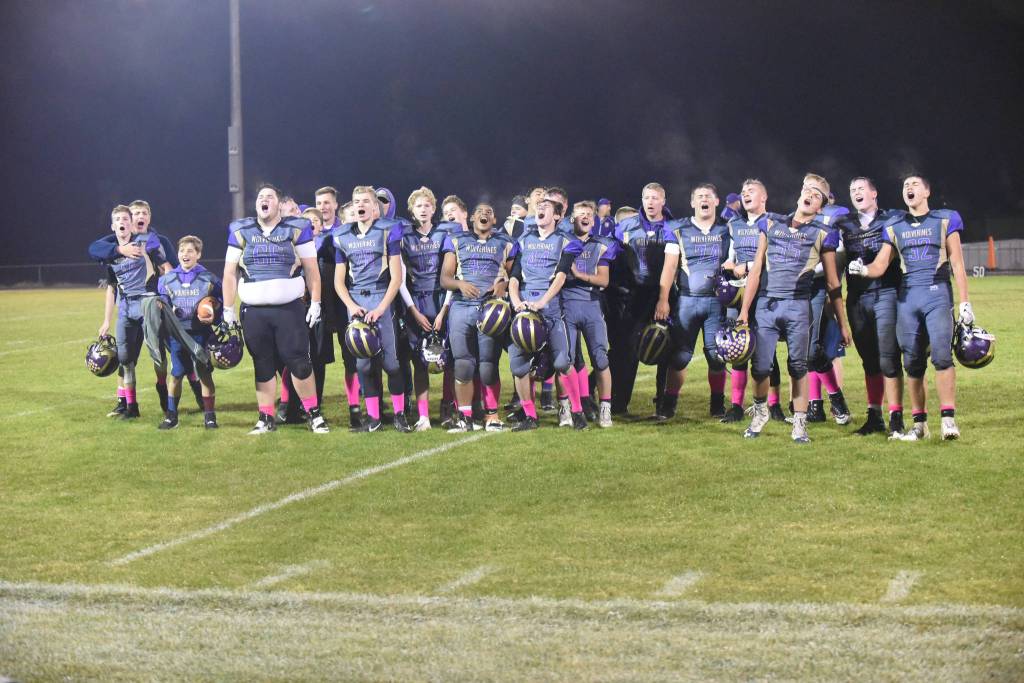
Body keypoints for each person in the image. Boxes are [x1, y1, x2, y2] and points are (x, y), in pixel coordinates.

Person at [847, 174, 971, 440]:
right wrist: (864, 269)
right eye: (905, 186)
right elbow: (881, 264)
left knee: (941, 356)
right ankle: (919, 424)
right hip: (907, 297)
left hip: (937, 294)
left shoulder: (945, 219)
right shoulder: (895, 225)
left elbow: (958, 264)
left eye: (915, 184)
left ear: (927, 191)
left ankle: (948, 419)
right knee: (912, 362)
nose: (909, 188)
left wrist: (965, 302)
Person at [736, 174, 851, 443]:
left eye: (817, 194)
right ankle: (761, 411)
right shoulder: (771, 223)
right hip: (767, 304)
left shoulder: (823, 233)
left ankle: (800, 423)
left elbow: (834, 284)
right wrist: (744, 311)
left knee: (798, 365)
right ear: (800, 192)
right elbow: (755, 271)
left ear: (821, 205)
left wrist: (843, 324)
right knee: (760, 366)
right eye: (807, 190)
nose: (810, 195)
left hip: (799, 305)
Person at [222, 183, 329, 435]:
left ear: (279, 204)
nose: (264, 199)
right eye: (260, 196)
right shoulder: (241, 230)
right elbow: (229, 273)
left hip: (289, 309)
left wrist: (316, 301)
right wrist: (228, 308)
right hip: (254, 311)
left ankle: (313, 414)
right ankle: (265, 418)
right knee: (263, 365)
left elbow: (312, 269)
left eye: (269, 196)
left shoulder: (296, 228)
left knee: (300, 364)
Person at [333, 185, 410, 433]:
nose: (360, 205)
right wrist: (352, 306)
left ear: (375, 207)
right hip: (356, 301)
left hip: (381, 298)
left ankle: (400, 415)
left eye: (365, 201)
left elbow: (396, 277)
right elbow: (338, 280)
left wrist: (381, 308)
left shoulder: (388, 231)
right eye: (356, 201)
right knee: (363, 364)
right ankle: (373, 418)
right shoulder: (342, 235)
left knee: (391, 363)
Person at [834, 177, 905, 436]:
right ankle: (875, 415)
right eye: (852, 190)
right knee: (869, 360)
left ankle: (896, 416)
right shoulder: (844, 224)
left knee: (889, 358)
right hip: (857, 297)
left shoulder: (892, 218)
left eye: (861, 188)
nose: (855, 193)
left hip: (886, 292)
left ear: (874, 193)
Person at [507, 197, 586, 431]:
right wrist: (516, 302)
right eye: (538, 207)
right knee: (518, 366)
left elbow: (561, 276)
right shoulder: (525, 239)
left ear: (558, 216)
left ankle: (578, 411)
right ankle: (530, 416)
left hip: (549, 308)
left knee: (563, 361)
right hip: (524, 308)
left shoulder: (565, 241)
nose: (540, 209)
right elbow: (514, 276)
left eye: (546, 208)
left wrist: (542, 301)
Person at [655, 183, 730, 421]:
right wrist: (663, 299)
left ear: (717, 202)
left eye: (708, 195)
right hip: (687, 300)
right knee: (680, 356)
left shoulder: (727, 230)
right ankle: (669, 404)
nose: (704, 199)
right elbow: (670, 266)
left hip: (716, 301)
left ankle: (717, 404)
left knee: (716, 356)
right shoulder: (679, 229)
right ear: (692, 203)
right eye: (699, 196)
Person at [440, 202, 517, 432]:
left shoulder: (505, 243)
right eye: (480, 211)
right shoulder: (456, 240)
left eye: (490, 212)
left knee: (488, 365)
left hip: (490, 308)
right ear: (472, 218)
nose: (484, 213)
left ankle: (492, 416)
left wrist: (504, 284)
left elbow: (517, 276)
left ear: (494, 221)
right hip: (462, 307)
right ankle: (464, 416)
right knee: (463, 364)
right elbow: (445, 278)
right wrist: (460, 283)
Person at [721, 179, 786, 422]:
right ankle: (736, 406)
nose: (746, 195)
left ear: (764, 197)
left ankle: (774, 404)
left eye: (752, 191)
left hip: (765, 291)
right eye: (743, 192)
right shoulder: (734, 224)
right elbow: (731, 256)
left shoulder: (776, 222)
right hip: (737, 294)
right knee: (736, 348)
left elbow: (777, 256)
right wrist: (729, 265)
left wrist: (746, 266)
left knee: (766, 350)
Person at [95, 205, 167, 420]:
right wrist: (106, 320)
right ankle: (132, 407)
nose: (122, 222)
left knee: (157, 354)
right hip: (126, 309)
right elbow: (112, 289)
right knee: (126, 359)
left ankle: (164, 391)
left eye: (125, 218)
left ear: (130, 223)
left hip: (145, 304)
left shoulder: (147, 242)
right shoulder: (110, 254)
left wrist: (164, 296)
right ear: (113, 226)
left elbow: (165, 269)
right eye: (117, 219)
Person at [609, 183, 672, 416]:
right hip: (635, 296)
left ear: (663, 201)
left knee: (666, 348)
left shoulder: (673, 227)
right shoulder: (626, 226)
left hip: (665, 294)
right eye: (647, 197)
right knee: (628, 350)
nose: (650, 202)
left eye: (655, 198)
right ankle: (619, 404)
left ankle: (663, 405)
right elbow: (610, 256)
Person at [400, 186, 453, 431]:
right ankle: (423, 417)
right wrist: (412, 310)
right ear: (412, 210)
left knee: (448, 358)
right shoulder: (404, 237)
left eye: (427, 205)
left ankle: (447, 409)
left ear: (434, 208)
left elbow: (452, 274)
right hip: (415, 303)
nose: (423, 209)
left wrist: (443, 310)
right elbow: (398, 278)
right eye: (418, 205)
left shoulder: (445, 234)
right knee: (419, 361)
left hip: (441, 299)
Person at [155, 236, 220, 430]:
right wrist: (163, 307)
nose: (185, 254)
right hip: (177, 334)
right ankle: (172, 416)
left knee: (204, 374)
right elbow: (162, 303)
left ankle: (210, 416)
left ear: (198, 254)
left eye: (190, 251)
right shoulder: (167, 280)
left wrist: (213, 313)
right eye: (182, 250)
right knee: (176, 374)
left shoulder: (209, 279)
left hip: (201, 333)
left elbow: (220, 302)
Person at [562, 200, 618, 427]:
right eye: (580, 214)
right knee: (565, 360)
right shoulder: (562, 242)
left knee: (601, 358)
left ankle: (606, 408)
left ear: (593, 221)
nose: (585, 217)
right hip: (566, 304)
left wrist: (579, 274)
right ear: (572, 219)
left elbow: (604, 280)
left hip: (591, 304)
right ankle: (565, 407)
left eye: (588, 214)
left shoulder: (601, 245)